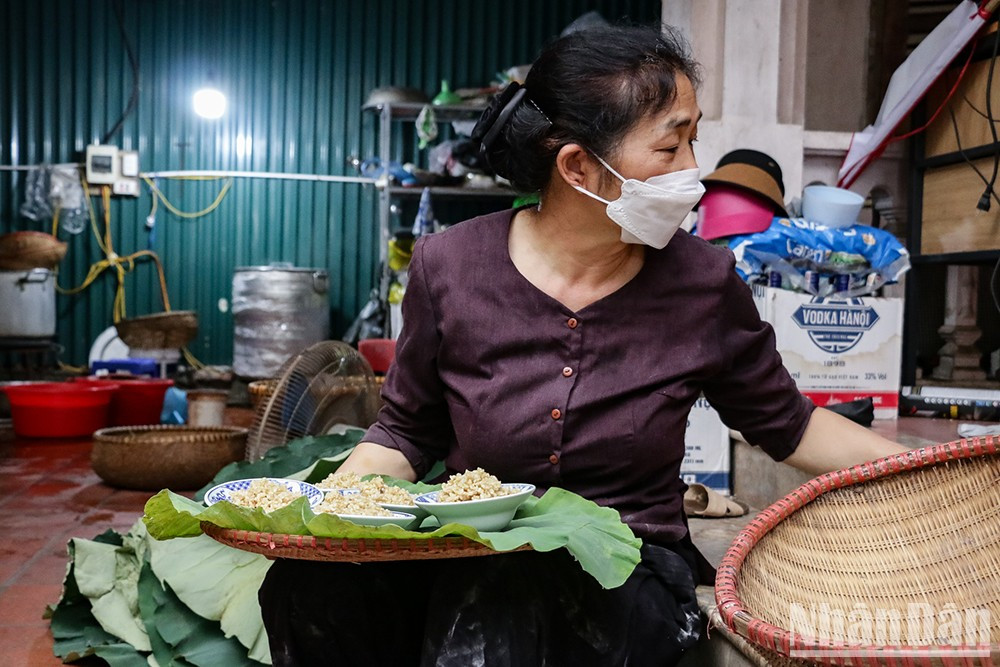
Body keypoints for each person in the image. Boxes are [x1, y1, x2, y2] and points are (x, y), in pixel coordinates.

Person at [259, 23, 908, 666]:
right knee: (310, 586)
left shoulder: (703, 284)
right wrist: (321, 518)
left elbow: (786, 424)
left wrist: (929, 468)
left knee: (506, 600)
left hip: (628, 571)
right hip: (471, 552)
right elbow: (404, 432)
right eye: (670, 145)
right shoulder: (449, 267)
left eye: (694, 138)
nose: (693, 171)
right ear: (578, 168)